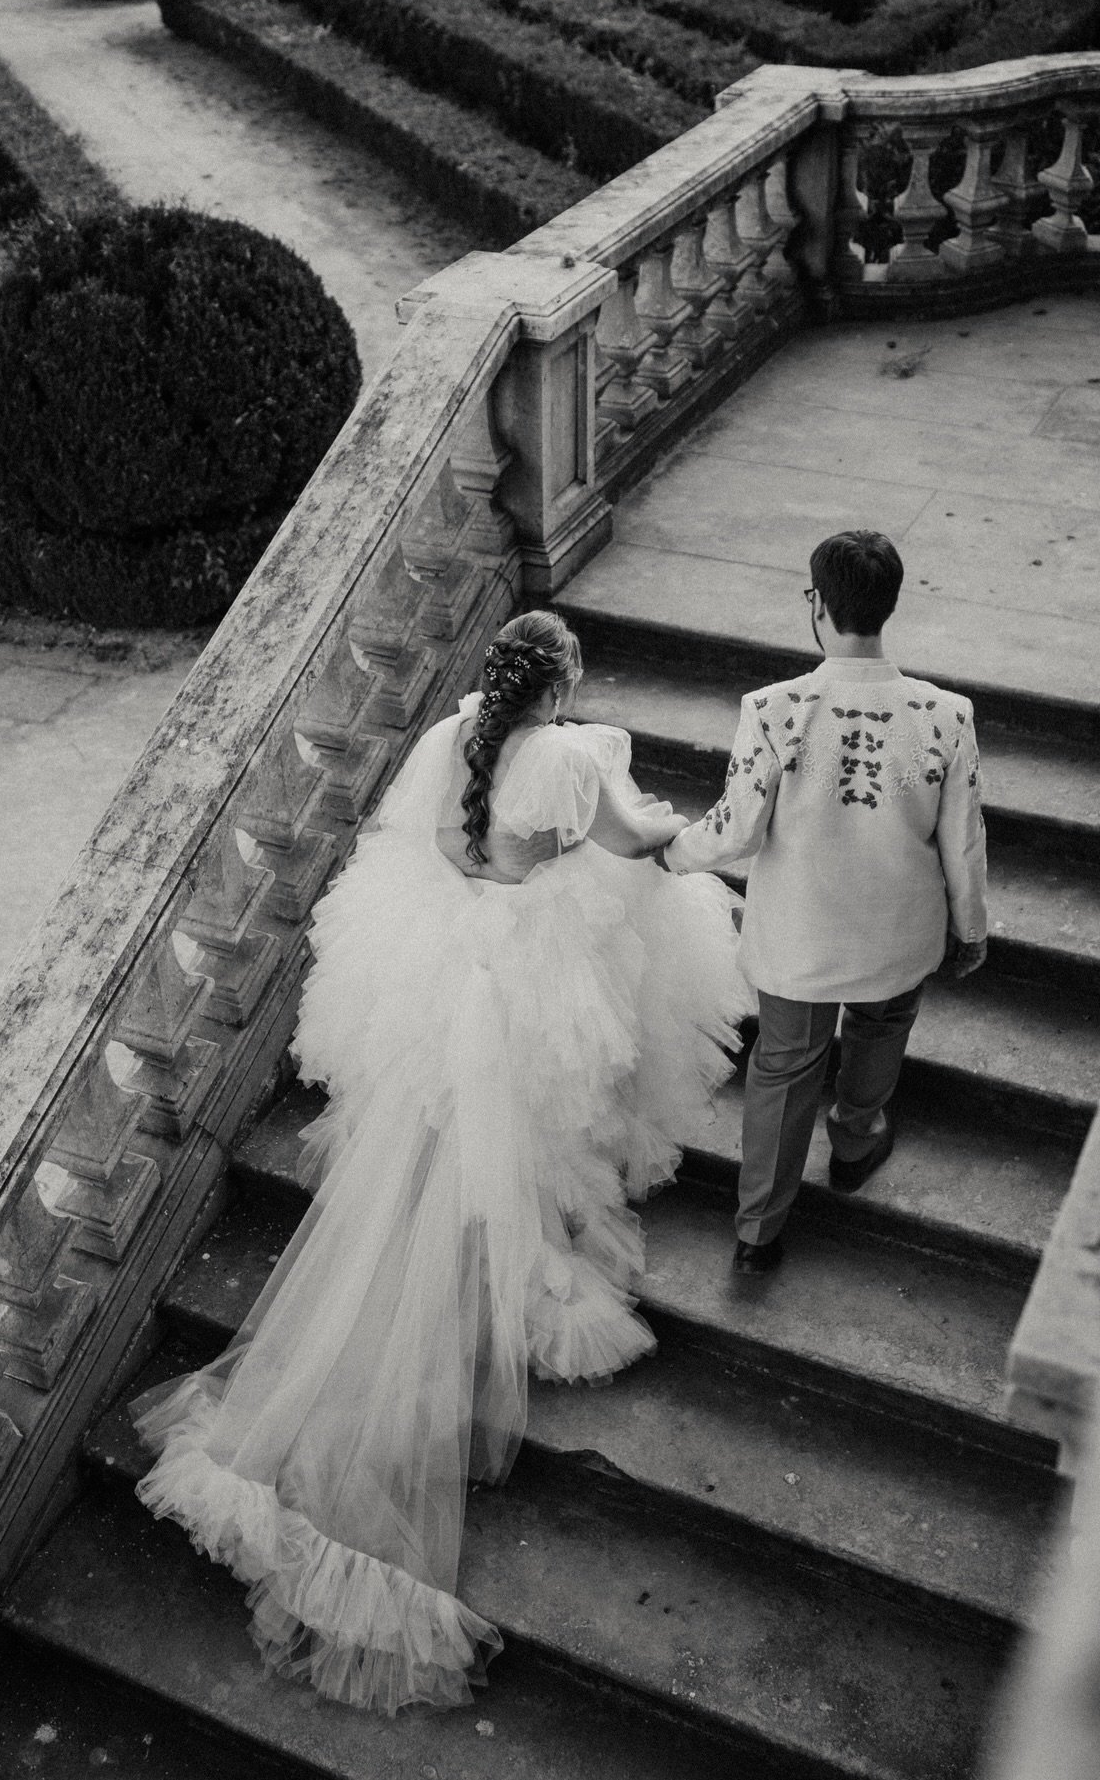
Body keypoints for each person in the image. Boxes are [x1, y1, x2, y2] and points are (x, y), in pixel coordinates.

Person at [133, 610, 748, 1713]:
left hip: (450, 971)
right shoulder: (571, 754)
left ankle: (459, 1278)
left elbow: (443, 850)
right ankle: (508, 1287)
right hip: (525, 986)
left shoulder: (453, 734)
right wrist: (718, 834)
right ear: (560, 682)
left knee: (441, 1155)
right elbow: (642, 843)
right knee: (535, 1132)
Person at [660, 530, 988, 1274]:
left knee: (782, 1067)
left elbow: (734, 828)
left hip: (800, 942)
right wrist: (970, 929)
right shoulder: (947, 715)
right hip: (897, 935)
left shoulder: (775, 709)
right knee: (881, 1028)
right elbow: (964, 843)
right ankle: (855, 1138)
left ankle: (758, 1230)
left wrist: (670, 852)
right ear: (888, 607)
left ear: (818, 604)